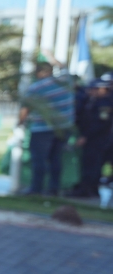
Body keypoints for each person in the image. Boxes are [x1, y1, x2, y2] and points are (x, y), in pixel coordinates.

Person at [19, 59, 76, 195]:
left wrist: (20, 122)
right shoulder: (64, 82)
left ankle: (36, 188)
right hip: (64, 128)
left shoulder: (36, 87)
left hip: (42, 129)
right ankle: (53, 188)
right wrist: (50, 56)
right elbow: (64, 68)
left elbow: (26, 108)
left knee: (39, 159)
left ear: (39, 73)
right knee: (56, 158)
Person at [77, 77, 113, 197]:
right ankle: (87, 188)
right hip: (93, 138)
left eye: (95, 89)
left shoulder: (105, 103)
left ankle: (88, 190)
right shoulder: (94, 101)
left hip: (98, 140)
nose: (92, 91)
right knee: (90, 164)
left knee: (93, 165)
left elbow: (101, 124)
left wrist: (86, 136)